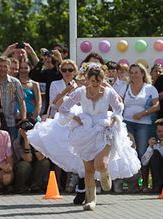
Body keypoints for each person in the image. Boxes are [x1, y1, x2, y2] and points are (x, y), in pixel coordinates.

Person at [57, 65, 141, 210]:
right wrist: (75, 118)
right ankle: (91, 200)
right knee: (88, 169)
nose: (95, 84)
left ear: (103, 80)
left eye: (98, 81)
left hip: (104, 128)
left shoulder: (109, 92)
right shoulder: (80, 92)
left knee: (100, 164)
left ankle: (105, 171)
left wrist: (115, 118)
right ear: (87, 80)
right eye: (92, 81)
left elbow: (119, 107)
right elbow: (63, 108)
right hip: (85, 131)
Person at [123, 63, 160, 191]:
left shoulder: (149, 88)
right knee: (129, 153)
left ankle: (144, 184)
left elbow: (157, 106)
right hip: (127, 123)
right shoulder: (126, 87)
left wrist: (142, 113)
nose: (133, 75)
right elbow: (120, 103)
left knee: (142, 153)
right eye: (131, 72)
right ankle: (131, 184)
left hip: (143, 124)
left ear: (143, 74)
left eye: (136, 72)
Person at [0, 56, 27, 140]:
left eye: (5, 66)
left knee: (11, 148)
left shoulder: (15, 82)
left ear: (9, 68)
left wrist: (23, 119)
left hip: (11, 122)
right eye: (0, 66)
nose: (2, 68)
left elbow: (21, 102)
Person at [13, 123, 50, 194]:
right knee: (24, 165)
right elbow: (28, 159)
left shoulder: (39, 140)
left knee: (44, 162)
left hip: (36, 168)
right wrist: (26, 140)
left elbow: (40, 157)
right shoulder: (17, 142)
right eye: (25, 130)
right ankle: (20, 187)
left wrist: (34, 141)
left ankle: (36, 187)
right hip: (24, 169)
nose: (27, 132)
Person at [141, 118, 163, 194]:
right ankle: (150, 186)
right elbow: (144, 163)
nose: (161, 134)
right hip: (158, 177)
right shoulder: (155, 143)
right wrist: (150, 147)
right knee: (155, 154)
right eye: (159, 131)